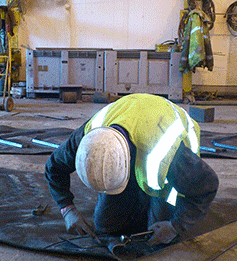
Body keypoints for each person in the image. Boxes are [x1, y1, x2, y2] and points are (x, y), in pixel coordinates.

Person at [44, 93, 219, 246]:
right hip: (132, 122)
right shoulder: (88, 138)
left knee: (157, 237)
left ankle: (151, 202)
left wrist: (175, 226)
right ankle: (138, 200)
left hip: (169, 177)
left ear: (127, 161)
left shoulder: (166, 154)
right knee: (105, 226)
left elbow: (208, 185)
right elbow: (53, 167)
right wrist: (67, 210)